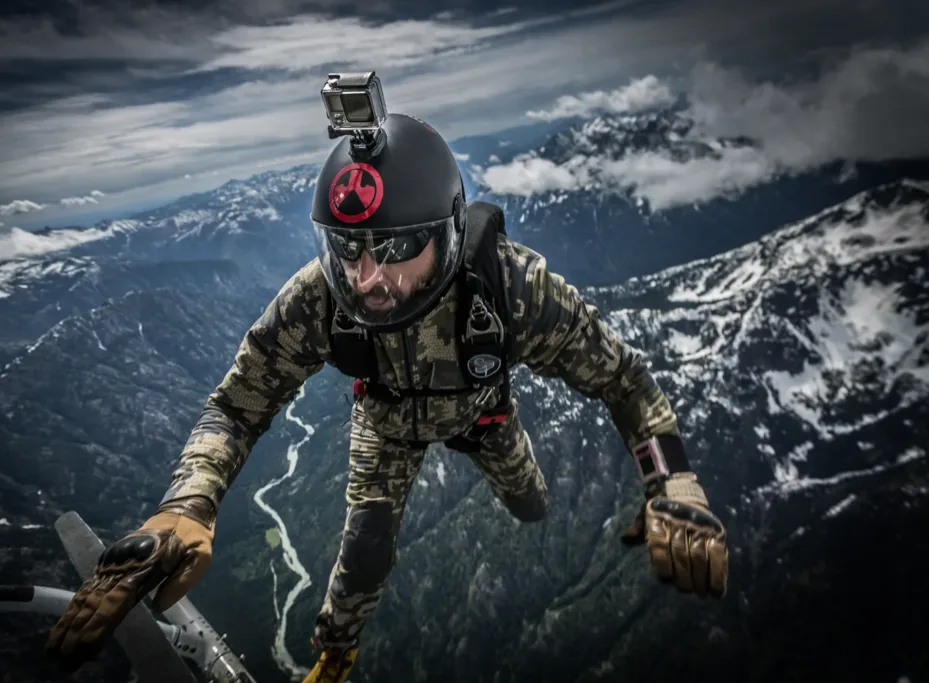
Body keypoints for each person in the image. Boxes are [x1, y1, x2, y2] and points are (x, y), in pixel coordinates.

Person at [44, 113, 729, 683]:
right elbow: (236, 404)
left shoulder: (511, 287)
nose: (366, 278)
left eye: (394, 245)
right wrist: (186, 504)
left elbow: (622, 380)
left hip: (486, 416)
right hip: (388, 421)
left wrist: (671, 479)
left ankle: (523, 506)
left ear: (448, 233)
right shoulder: (320, 295)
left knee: (528, 498)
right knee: (365, 546)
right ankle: (335, 656)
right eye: (347, 247)